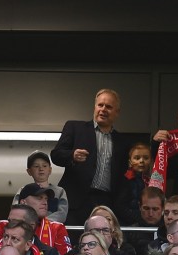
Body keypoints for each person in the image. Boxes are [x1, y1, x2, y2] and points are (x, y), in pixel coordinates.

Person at [50, 89, 131, 224]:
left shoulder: (123, 142)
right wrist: (72, 155)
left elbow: (123, 177)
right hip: (75, 203)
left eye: (109, 107)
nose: (103, 109)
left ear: (117, 112)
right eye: (100, 105)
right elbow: (56, 155)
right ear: (95, 107)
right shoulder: (75, 127)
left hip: (106, 204)